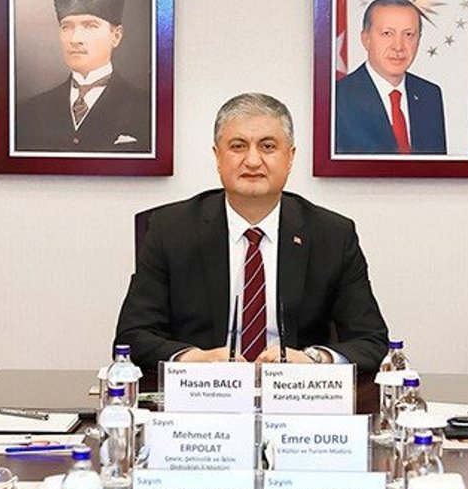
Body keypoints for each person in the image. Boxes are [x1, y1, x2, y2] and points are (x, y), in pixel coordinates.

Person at [114, 92, 390, 372]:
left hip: (294, 390)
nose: (253, 160)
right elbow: (132, 337)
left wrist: (311, 359)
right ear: (218, 157)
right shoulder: (171, 229)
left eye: (268, 146)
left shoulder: (332, 235)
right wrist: (197, 359)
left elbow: (372, 341)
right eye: (238, 146)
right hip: (204, 389)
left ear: (290, 157)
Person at [15, 0, 151, 153]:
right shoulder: (30, 111)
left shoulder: (147, 109)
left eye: (90, 26)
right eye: (66, 27)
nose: (75, 39)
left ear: (116, 36)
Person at [334, 0, 446, 155]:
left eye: (409, 34)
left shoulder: (429, 95)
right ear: (366, 39)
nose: (398, 46)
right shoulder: (338, 98)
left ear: (419, 39)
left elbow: (438, 168)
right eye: (387, 33)